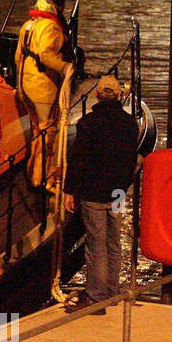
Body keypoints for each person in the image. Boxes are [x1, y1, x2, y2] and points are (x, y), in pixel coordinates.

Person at [63, 75, 140, 313]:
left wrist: (69, 191)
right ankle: (112, 291)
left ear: (97, 95)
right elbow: (131, 161)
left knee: (96, 246)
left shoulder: (88, 124)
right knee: (114, 242)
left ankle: (96, 298)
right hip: (117, 192)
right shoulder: (130, 124)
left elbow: (79, 162)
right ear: (118, 95)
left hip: (94, 193)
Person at [15, 0, 70, 189]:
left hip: (25, 85)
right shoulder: (51, 27)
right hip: (41, 87)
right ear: (59, 7)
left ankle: (30, 170)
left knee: (36, 129)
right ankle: (40, 179)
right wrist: (65, 67)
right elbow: (46, 55)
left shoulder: (28, 25)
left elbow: (17, 57)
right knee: (48, 131)